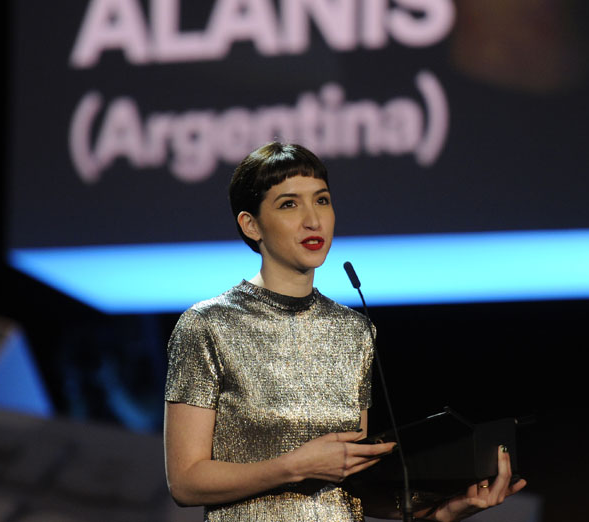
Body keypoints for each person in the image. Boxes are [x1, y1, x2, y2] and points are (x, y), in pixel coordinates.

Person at [163, 142, 526, 521]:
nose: (313, 220)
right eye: (289, 204)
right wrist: (295, 466)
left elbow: (352, 492)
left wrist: (445, 511)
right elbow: (186, 482)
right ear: (250, 225)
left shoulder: (354, 331)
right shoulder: (208, 325)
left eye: (321, 200)